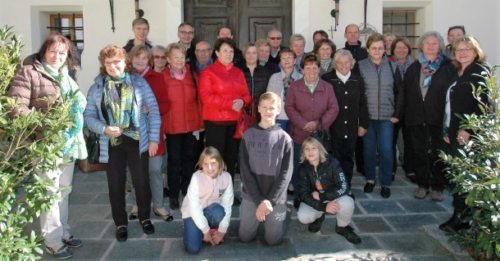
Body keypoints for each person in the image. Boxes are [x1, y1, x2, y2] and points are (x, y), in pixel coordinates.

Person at [9, 33, 87, 259]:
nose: (57, 56)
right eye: (53, 51)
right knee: (50, 193)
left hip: (68, 143)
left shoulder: (66, 76)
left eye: (62, 53)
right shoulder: (29, 72)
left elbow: (75, 104)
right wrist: (46, 125)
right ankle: (52, 240)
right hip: (45, 144)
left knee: (63, 192)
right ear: (44, 51)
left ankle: (62, 231)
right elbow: (16, 107)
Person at [84, 44, 161, 242]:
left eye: (116, 62)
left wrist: (153, 139)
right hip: (111, 142)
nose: (112, 66)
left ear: (125, 62)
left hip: (137, 140)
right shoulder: (96, 88)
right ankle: (120, 223)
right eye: (108, 63)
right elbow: (89, 117)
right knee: (115, 185)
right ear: (103, 65)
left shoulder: (139, 84)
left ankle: (144, 218)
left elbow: (153, 111)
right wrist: (104, 128)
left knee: (141, 182)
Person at [394, 31, 455, 201]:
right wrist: (398, 114)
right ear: (421, 45)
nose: (430, 46)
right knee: (419, 152)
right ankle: (423, 184)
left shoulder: (448, 67)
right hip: (416, 116)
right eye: (427, 43)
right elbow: (404, 94)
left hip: (438, 117)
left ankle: (438, 186)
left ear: (440, 46)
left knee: (437, 153)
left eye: (434, 43)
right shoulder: (414, 67)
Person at [439, 36, 489, 232]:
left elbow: (484, 105)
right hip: (452, 131)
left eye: (467, 49)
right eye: (459, 49)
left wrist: (469, 129)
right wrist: (446, 129)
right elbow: (449, 105)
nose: (462, 52)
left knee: (464, 176)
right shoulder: (457, 72)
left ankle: (462, 218)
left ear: (476, 51)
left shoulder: (479, 73)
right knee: (457, 175)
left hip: (468, 134)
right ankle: (460, 214)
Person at [238, 92, 293, 246]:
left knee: (273, 240)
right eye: (265, 107)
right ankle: (257, 213)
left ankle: (285, 211)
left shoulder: (285, 139)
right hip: (252, 195)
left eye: (272, 108)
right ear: (259, 110)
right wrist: (259, 201)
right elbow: (244, 172)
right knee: (245, 237)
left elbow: (285, 175)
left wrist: (269, 201)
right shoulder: (248, 135)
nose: (268, 111)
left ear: (278, 110)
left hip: (275, 197)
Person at [199, 37, 252, 191]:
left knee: (231, 158)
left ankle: (227, 191)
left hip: (234, 123)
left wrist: (242, 102)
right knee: (215, 159)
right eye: (225, 51)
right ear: (217, 53)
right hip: (215, 122)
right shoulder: (208, 72)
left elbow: (247, 95)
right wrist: (230, 104)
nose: (228, 54)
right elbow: (206, 97)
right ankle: (212, 191)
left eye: (231, 51)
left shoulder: (238, 72)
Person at [285, 54, 339, 204]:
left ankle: (319, 197)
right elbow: (289, 107)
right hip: (299, 134)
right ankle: (299, 196)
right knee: (299, 166)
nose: (311, 71)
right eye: (307, 68)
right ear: (301, 70)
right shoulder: (295, 86)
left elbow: (334, 108)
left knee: (319, 168)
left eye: (314, 68)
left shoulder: (327, 87)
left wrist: (318, 124)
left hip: (320, 135)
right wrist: (303, 123)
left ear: (319, 69)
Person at [128, 45, 173, 222]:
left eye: (144, 58)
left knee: (154, 169)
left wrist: (150, 109)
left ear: (150, 60)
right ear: (131, 59)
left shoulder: (157, 78)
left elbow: (166, 104)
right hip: (132, 134)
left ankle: (159, 205)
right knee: (135, 171)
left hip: (154, 133)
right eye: (137, 58)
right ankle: (137, 203)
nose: (140, 61)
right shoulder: (126, 78)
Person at [297, 137, 361, 244]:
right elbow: (303, 195)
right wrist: (323, 206)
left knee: (348, 202)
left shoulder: (332, 163)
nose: (310, 152)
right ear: (303, 152)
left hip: (333, 197)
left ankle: (342, 227)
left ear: (320, 150)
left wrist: (324, 197)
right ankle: (319, 216)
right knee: (303, 217)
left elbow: (344, 187)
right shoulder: (303, 169)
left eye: (314, 148)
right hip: (316, 201)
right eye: (307, 149)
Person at [358, 33, 399, 199]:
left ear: (385, 50)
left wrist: (397, 113)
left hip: (387, 117)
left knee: (386, 150)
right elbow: (358, 93)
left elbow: (400, 92)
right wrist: (360, 117)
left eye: (380, 48)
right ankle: (370, 179)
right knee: (368, 150)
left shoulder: (393, 66)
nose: (377, 50)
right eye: (373, 47)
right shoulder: (360, 66)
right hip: (367, 117)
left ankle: (386, 182)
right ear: (368, 49)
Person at [321, 49, 369, 194]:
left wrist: (363, 124)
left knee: (348, 158)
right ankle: (335, 185)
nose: (343, 65)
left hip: (352, 127)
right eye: (340, 63)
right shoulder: (327, 78)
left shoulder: (357, 79)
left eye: (347, 62)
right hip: (333, 127)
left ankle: (346, 186)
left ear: (351, 63)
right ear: (335, 64)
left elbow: (362, 103)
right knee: (334, 157)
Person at [163, 43, 204, 210]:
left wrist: (200, 124)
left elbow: (199, 101)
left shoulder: (193, 76)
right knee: (174, 162)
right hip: (172, 126)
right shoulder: (163, 77)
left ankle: (187, 192)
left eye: (182, 57)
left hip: (191, 126)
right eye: (176, 57)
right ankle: (173, 195)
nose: (179, 60)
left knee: (189, 161)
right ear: (168, 60)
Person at [181, 146, 234, 254]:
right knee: (193, 248)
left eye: (213, 163)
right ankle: (198, 230)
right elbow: (194, 208)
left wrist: (222, 231)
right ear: (201, 165)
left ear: (220, 162)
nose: (209, 168)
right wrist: (205, 231)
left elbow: (227, 205)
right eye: (205, 164)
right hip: (192, 214)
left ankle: (213, 229)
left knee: (220, 211)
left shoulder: (227, 177)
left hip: (212, 211)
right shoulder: (196, 178)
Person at [343, 24, 368, 176]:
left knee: (360, 135)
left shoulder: (365, 53)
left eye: (355, 32)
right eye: (349, 32)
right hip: (344, 94)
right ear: (345, 35)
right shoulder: (340, 52)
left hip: (359, 93)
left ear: (359, 35)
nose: (352, 35)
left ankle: (361, 165)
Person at [390, 37, 416, 182]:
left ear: (409, 49)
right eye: (398, 47)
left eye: (404, 47)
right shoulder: (388, 65)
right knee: (391, 141)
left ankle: (410, 168)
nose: (401, 50)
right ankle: (392, 169)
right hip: (393, 109)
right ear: (393, 50)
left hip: (411, 109)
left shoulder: (416, 65)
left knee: (409, 141)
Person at [267, 48, 303, 133]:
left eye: (289, 57)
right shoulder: (274, 77)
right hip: (279, 118)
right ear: (280, 61)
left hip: (296, 118)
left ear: (294, 61)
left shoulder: (301, 78)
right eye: (283, 58)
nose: (286, 60)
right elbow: (269, 98)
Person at [239, 42, 272, 122]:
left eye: (254, 53)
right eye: (248, 53)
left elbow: (269, 93)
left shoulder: (265, 71)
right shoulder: (238, 71)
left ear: (258, 55)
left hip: (261, 113)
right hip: (242, 113)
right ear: (244, 55)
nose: (251, 56)